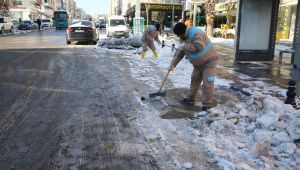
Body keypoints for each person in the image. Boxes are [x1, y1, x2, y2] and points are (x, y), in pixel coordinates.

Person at [168, 22, 218, 110]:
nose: (178, 37)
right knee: (194, 81)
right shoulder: (183, 38)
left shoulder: (196, 33)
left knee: (208, 83)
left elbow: (199, 47)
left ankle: (207, 105)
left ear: (182, 32)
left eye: (179, 35)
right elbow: (180, 53)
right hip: (198, 65)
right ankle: (190, 99)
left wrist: (184, 46)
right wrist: (172, 65)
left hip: (209, 62)